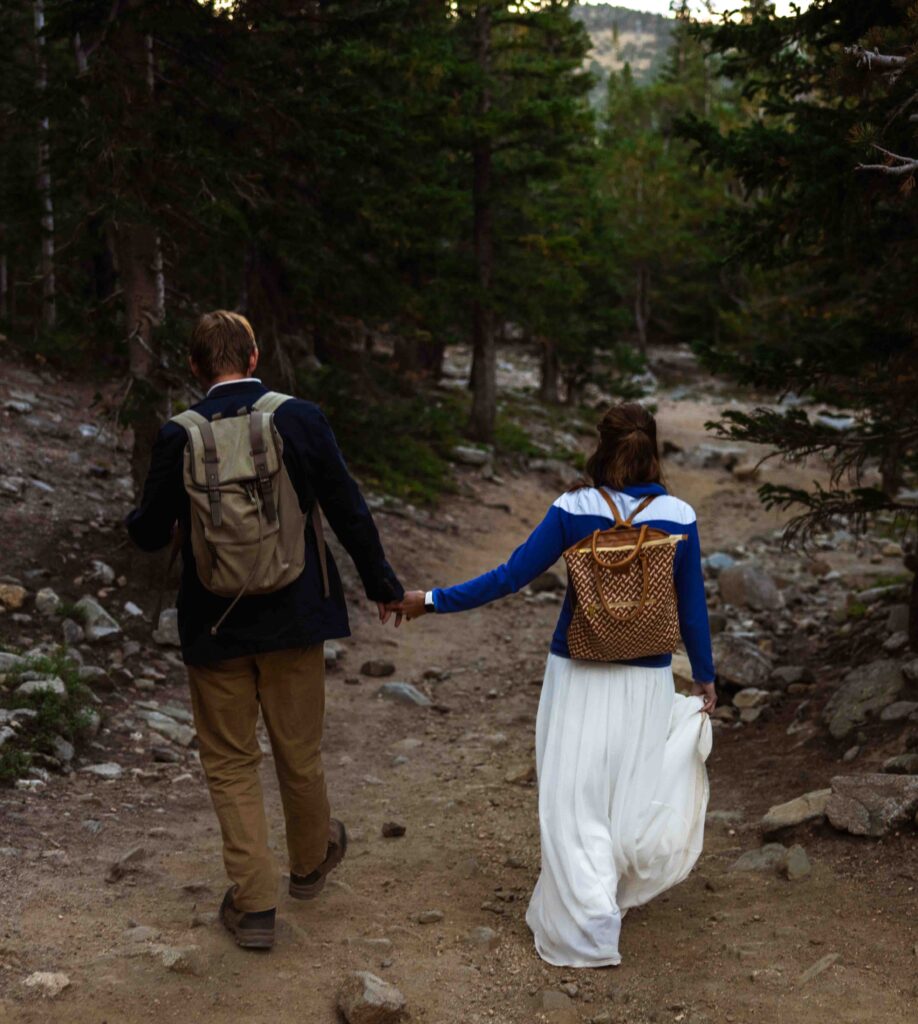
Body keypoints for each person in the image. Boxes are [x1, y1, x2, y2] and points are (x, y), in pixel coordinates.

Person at [394, 403, 715, 968]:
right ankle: (608, 892)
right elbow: (692, 611)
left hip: (579, 672)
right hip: (647, 676)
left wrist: (433, 600)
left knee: (573, 798)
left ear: (602, 446)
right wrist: (706, 679)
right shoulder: (679, 515)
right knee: (626, 792)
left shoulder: (575, 508)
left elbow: (511, 576)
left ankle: (590, 921)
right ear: (653, 449)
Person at [126, 311, 404, 950]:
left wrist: (151, 519)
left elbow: (146, 532)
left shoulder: (179, 434)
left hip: (213, 624)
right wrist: (382, 584)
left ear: (196, 367)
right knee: (297, 751)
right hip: (295, 613)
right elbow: (346, 506)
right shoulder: (299, 417)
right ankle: (308, 867)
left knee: (229, 762)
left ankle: (253, 907)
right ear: (253, 357)